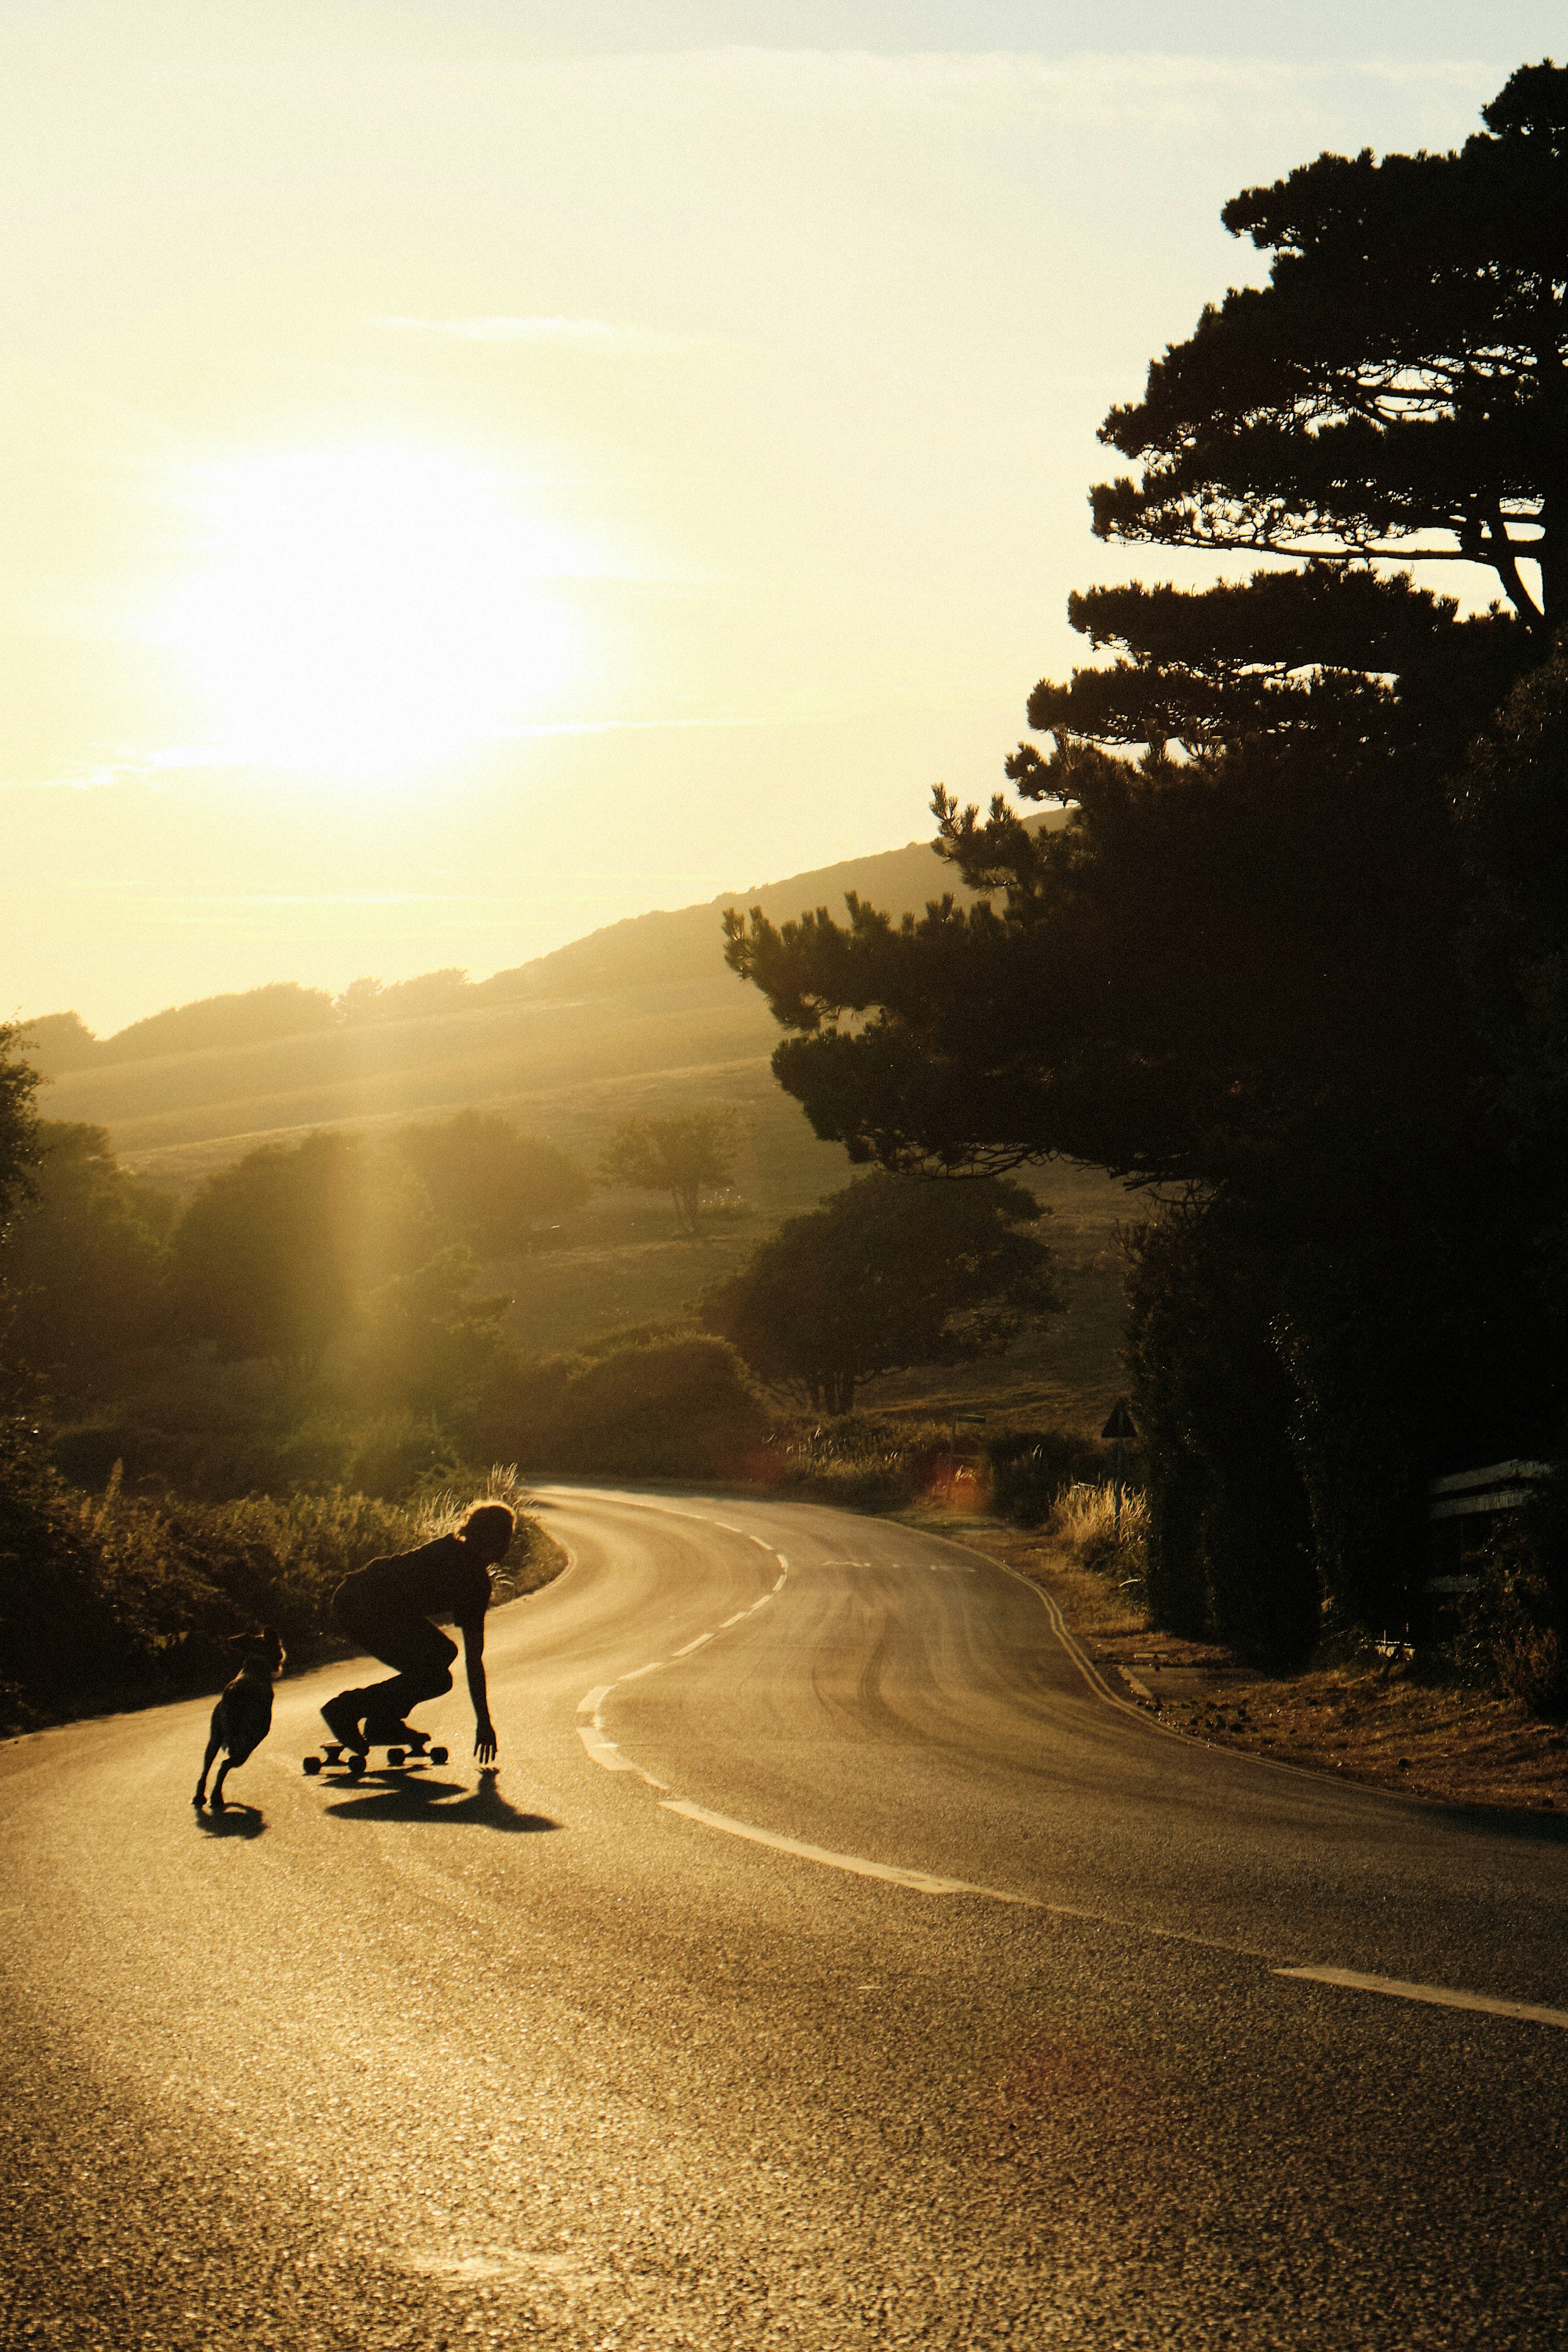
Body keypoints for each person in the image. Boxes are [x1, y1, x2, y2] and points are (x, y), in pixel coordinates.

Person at [321, 1501, 514, 1761]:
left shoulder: (455, 1552)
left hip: (365, 1600)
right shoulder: (471, 1578)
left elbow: (472, 1658)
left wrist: (484, 1722)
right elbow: (474, 1660)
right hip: (361, 1603)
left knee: (442, 1655)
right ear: (497, 1539)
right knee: (437, 1675)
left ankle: (381, 1722)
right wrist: (484, 1722)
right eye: (508, 1536)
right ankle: (346, 1709)